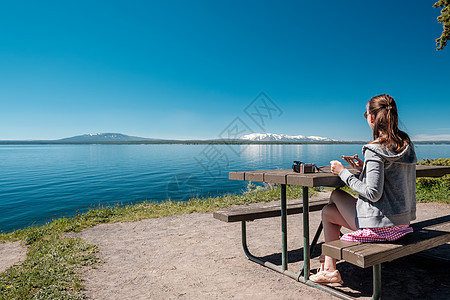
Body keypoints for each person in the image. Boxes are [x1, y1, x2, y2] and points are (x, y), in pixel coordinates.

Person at [309, 94, 417, 284]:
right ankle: (328, 263)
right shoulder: (405, 145)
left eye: (365, 114)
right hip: (402, 221)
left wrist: (343, 172)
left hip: (382, 226)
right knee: (328, 211)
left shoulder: (374, 148)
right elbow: (391, 179)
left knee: (335, 195)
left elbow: (373, 194)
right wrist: (364, 169)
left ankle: (329, 265)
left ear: (372, 118)